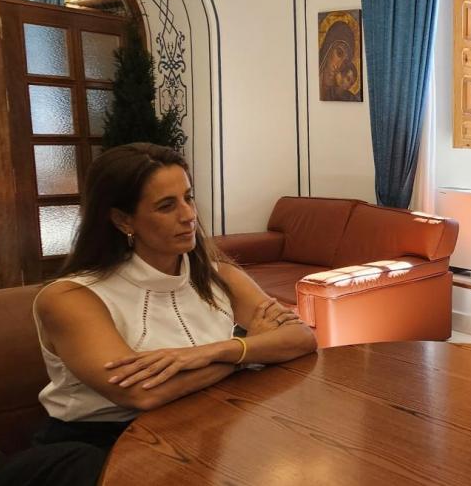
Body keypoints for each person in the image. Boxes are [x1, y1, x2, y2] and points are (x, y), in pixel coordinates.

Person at [31, 143, 317, 461]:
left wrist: (214, 351)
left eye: (188, 197)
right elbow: (142, 394)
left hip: (205, 422)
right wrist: (248, 351)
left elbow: (301, 338)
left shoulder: (220, 274)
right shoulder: (70, 298)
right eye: (167, 206)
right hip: (102, 445)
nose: (189, 215)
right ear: (123, 220)